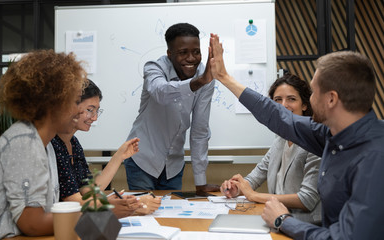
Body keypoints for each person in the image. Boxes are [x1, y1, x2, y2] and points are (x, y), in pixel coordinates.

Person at [209, 34, 384, 239]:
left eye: (313, 92)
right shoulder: (332, 134)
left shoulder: (375, 158)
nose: (310, 98)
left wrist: (283, 220)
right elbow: (279, 117)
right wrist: (224, 77)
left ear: (331, 99)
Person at [0, 50, 88, 239]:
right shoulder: (24, 142)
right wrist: (97, 215)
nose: (78, 110)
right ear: (54, 102)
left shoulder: (45, 145)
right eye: (76, 101)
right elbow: (33, 225)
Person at [124, 23, 219, 192]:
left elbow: (200, 131)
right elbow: (161, 92)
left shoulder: (205, 76)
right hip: (142, 161)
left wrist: (200, 182)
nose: (191, 58)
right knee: (144, 213)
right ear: (169, 54)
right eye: (183, 52)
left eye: (196, 52)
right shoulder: (154, 67)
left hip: (173, 168)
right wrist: (199, 82)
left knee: (171, 216)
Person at [220, 73, 321, 224]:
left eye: (291, 99)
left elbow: (307, 200)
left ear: (304, 105)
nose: (283, 105)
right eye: (277, 100)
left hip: (305, 225)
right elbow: (255, 178)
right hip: (276, 220)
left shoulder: (314, 141)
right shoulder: (279, 141)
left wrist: (254, 196)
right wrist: (237, 188)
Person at [51, 80, 161, 217]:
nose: (95, 118)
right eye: (90, 110)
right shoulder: (53, 144)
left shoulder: (73, 143)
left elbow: (90, 190)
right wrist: (131, 205)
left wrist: (119, 156)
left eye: (97, 111)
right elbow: (73, 201)